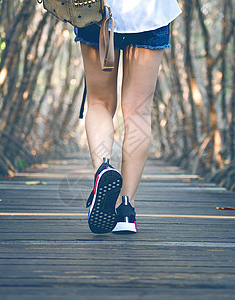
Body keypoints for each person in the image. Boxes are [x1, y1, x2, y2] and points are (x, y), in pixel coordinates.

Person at [75, 0, 181, 234]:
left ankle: (102, 170)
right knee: (139, 112)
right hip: (150, 13)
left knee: (100, 103)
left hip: (95, 11)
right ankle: (125, 208)